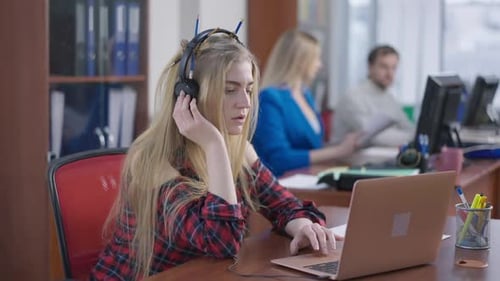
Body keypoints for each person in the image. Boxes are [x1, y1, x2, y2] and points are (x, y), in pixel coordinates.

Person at [90, 28, 336, 280]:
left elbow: (282, 204)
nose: (246, 103)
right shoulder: (155, 160)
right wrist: (215, 146)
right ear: (189, 96)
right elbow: (223, 243)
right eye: (230, 90)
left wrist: (303, 226)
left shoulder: (237, 147)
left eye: (249, 89)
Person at [252, 29, 360, 177]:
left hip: (309, 177)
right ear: (300, 61)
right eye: (316, 59)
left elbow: (314, 146)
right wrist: (338, 151)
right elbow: (278, 159)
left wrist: (344, 147)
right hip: (282, 184)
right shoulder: (270, 98)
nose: (319, 65)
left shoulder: (305, 94)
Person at [333, 45, 415, 147]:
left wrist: (420, 136)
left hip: (374, 154)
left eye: (394, 68)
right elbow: (374, 136)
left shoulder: (389, 98)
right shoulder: (353, 97)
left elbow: (407, 127)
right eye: (384, 67)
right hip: (347, 159)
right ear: (370, 67)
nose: (390, 74)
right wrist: (414, 137)